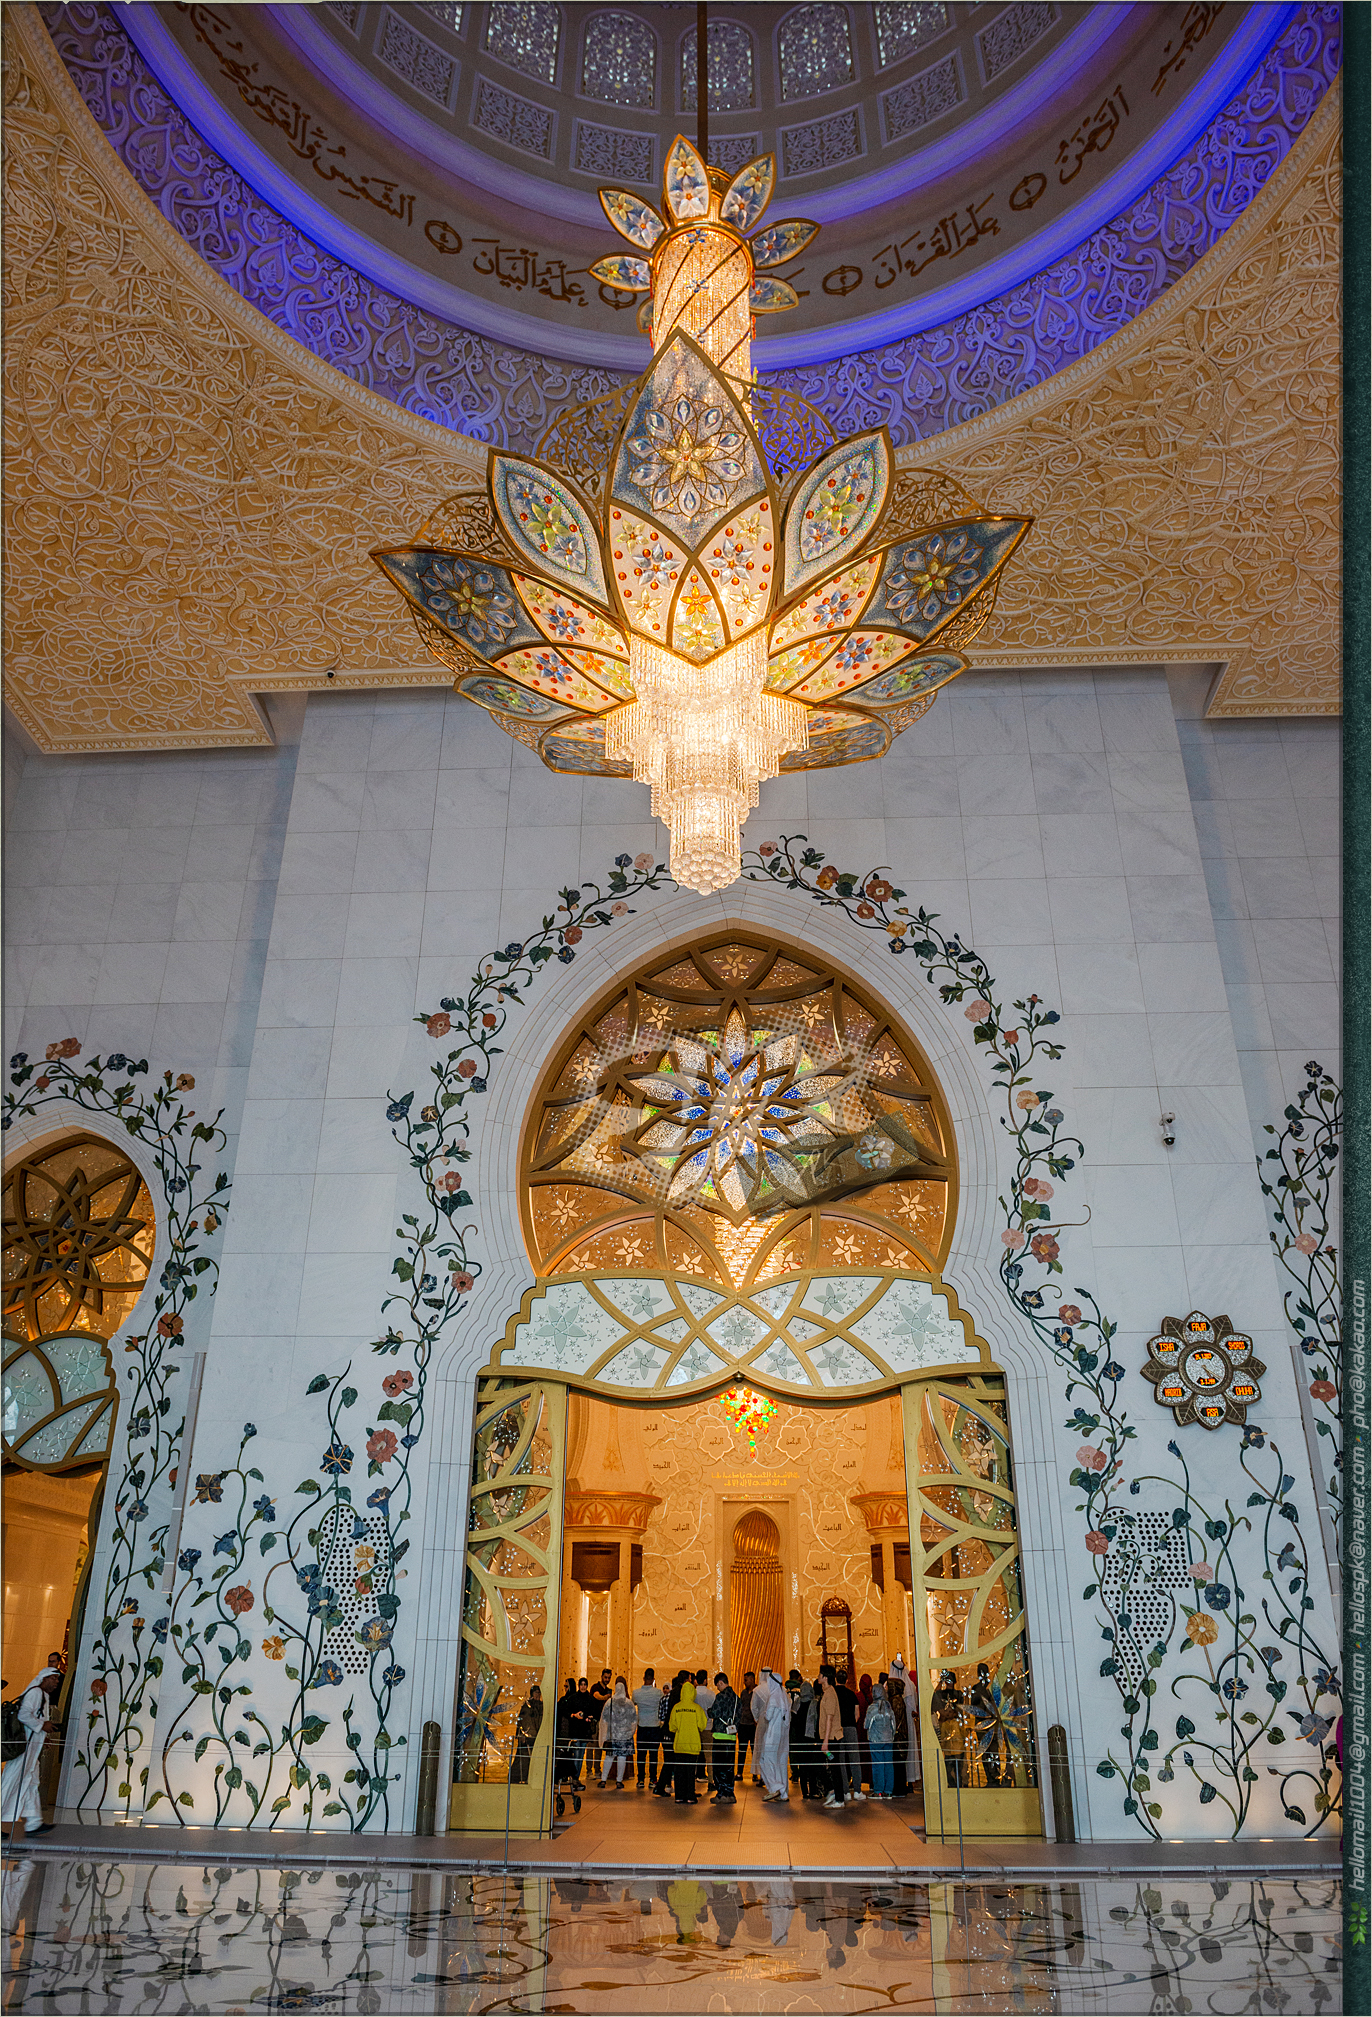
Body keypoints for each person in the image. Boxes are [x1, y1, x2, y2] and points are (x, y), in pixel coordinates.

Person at [1, 1667, 60, 1838]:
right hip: (23, 1750)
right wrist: (42, 1726)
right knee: (11, 1783)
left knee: (31, 1783)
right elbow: (24, 1715)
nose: (56, 1682)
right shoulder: (35, 1693)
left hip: (31, 1751)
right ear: (44, 1679)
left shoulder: (42, 1695)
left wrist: (43, 1735)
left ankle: (34, 1823)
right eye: (53, 1678)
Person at [753, 1669, 790, 1802]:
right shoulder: (784, 1695)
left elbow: (768, 1716)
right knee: (780, 1763)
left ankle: (775, 1787)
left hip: (772, 1735)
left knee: (766, 1760)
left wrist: (763, 1714)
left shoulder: (773, 1697)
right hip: (783, 1735)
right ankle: (783, 1793)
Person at [668, 1681, 707, 1803]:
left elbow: (672, 1727)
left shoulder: (676, 1708)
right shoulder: (697, 1708)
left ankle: (679, 1796)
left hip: (679, 1745)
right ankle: (690, 1796)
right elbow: (702, 1725)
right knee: (690, 1772)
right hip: (693, 1745)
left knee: (679, 1772)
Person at [598, 1678, 637, 1789]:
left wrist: (603, 1735)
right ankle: (619, 1781)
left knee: (609, 1757)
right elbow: (634, 1720)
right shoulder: (629, 1703)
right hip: (625, 1737)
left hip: (612, 1736)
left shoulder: (609, 1702)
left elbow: (603, 1719)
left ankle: (603, 1780)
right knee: (622, 1757)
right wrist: (630, 1733)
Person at [706, 1672, 739, 1803]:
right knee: (729, 1767)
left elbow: (714, 1713)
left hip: (720, 1736)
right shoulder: (736, 1698)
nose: (717, 1688)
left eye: (717, 1685)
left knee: (719, 1767)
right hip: (732, 1736)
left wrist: (709, 1710)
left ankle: (721, 1794)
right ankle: (730, 1793)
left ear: (720, 1682)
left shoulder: (720, 1697)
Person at [890, 1654, 921, 1790]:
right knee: (909, 1751)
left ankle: (900, 1783)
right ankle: (909, 1782)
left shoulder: (892, 1686)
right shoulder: (910, 1684)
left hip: (898, 1726)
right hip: (908, 1724)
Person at [816, 1668, 845, 1810]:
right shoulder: (827, 1693)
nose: (818, 1676)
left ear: (825, 1677)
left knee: (834, 1766)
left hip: (832, 1738)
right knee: (830, 1764)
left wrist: (826, 1741)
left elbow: (830, 1719)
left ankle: (839, 1797)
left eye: (820, 1674)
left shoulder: (830, 1694)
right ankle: (833, 1791)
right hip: (829, 1738)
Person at [834, 1667, 864, 1802]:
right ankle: (857, 1790)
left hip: (838, 1729)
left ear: (836, 1679)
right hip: (851, 1728)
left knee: (840, 1761)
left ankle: (845, 1791)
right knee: (854, 1760)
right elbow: (857, 1714)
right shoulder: (852, 1695)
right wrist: (851, 1722)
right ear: (847, 1680)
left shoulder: (833, 1694)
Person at [654, 1673, 686, 1796]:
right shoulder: (678, 1697)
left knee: (668, 1760)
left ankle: (664, 1785)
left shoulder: (665, 1698)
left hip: (665, 1732)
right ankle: (663, 1786)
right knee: (672, 1760)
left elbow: (661, 1717)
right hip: (673, 1732)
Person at [632, 1667, 664, 1791]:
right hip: (655, 1727)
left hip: (642, 1727)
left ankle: (640, 1779)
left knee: (641, 1755)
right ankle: (653, 1779)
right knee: (653, 1755)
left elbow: (633, 1704)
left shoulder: (636, 1693)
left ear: (643, 1678)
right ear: (653, 1679)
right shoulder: (658, 1693)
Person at [931, 1670, 964, 1787]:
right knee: (949, 1758)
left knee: (956, 1758)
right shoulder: (942, 1694)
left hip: (952, 1726)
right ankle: (952, 1782)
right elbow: (933, 1700)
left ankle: (956, 1782)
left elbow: (960, 1710)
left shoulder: (957, 1694)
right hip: (947, 1726)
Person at [865, 1678, 896, 1799]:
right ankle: (888, 1791)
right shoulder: (888, 1707)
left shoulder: (872, 1708)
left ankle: (878, 1790)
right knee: (888, 1765)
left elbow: (866, 1725)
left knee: (878, 1765)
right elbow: (893, 1725)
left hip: (875, 1740)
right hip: (888, 1739)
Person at [511, 1684, 542, 1785]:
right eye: (536, 1692)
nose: (538, 1695)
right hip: (528, 1736)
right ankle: (519, 1777)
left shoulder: (540, 1706)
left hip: (536, 1736)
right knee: (523, 1758)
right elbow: (523, 1720)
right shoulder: (527, 1706)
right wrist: (522, 1734)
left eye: (539, 1693)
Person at [735, 1671, 757, 1782]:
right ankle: (739, 1773)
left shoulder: (757, 1692)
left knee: (754, 1750)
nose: (744, 1682)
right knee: (742, 1750)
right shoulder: (743, 1693)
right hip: (743, 1725)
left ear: (752, 1680)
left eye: (746, 1680)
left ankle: (755, 1774)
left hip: (753, 1725)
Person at [589, 1668, 612, 1775]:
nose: (607, 1679)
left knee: (599, 1746)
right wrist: (605, 1697)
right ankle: (589, 1770)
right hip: (594, 1721)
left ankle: (597, 1769)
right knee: (591, 1746)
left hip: (603, 1722)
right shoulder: (595, 1687)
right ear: (601, 1676)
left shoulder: (608, 1690)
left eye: (609, 1678)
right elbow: (597, 1696)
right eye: (605, 1677)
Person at [694, 1670, 715, 1782]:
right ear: (706, 1680)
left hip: (695, 1727)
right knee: (709, 1755)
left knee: (693, 1754)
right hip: (708, 1726)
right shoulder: (711, 1694)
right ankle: (711, 1780)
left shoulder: (693, 1694)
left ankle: (692, 1780)